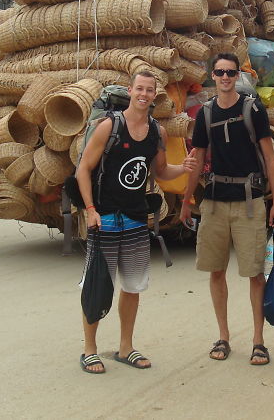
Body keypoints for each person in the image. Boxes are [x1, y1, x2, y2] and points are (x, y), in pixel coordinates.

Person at [75, 71, 191, 374]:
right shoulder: (109, 127)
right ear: (131, 91)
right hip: (105, 218)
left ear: (155, 95)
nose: (144, 94)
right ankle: (90, 350)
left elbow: (160, 173)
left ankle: (125, 347)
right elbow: (83, 170)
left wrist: (185, 168)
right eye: (139, 88)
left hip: (136, 218)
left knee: (133, 286)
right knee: (98, 284)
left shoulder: (158, 133)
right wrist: (90, 209)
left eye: (149, 90)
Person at [179, 53, 274, 366]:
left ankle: (258, 341)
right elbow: (196, 159)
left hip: (250, 201)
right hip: (213, 202)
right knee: (216, 270)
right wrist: (186, 201)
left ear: (237, 76)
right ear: (213, 75)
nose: (225, 78)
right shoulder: (206, 114)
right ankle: (223, 336)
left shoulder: (253, 109)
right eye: (220, 72)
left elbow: (270, 157)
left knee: (254, 274)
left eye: (230, 73)